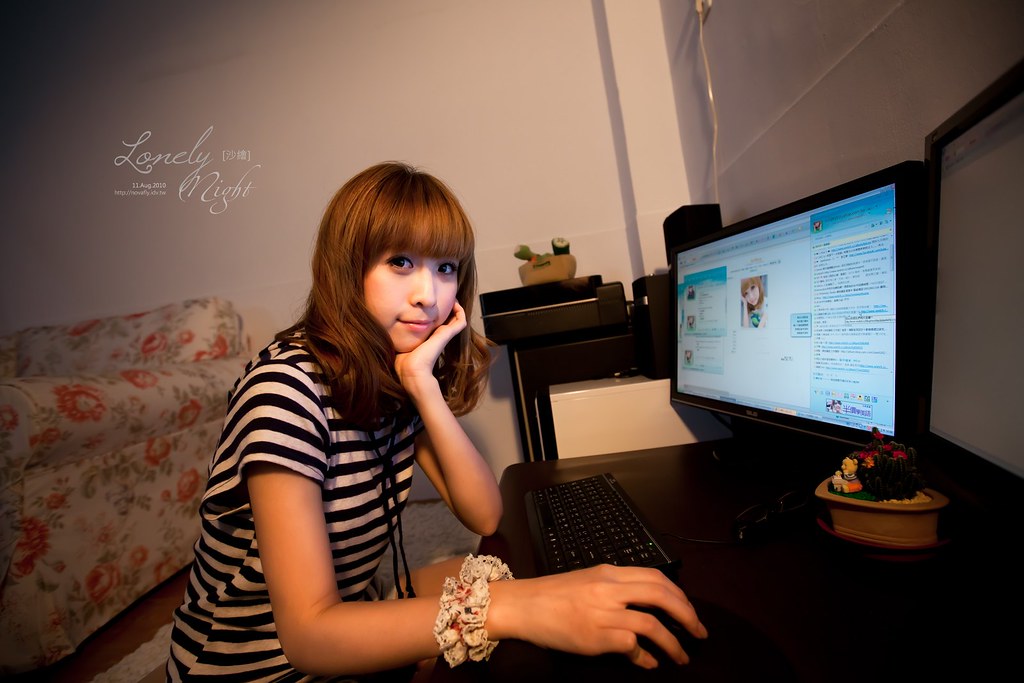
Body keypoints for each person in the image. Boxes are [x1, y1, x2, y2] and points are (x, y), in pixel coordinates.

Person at [166, 161, 706, 682]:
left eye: (446, 268)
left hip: (358, 602)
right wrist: (511, 609)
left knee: (532, 579)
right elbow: (308, 635)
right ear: (347, 269)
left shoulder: (394, 371)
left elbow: (484, 515)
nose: (429, 295)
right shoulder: (285, 391)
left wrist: (423, 388)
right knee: (520, 608)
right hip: (250, 665)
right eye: (401, 262)